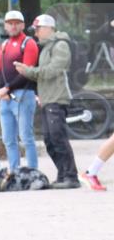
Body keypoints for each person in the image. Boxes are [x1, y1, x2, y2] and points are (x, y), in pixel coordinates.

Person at [15, 15, 80, 189]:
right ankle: (62, 174)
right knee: (49, 139)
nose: (35, 33)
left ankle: (71, 177)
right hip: (47, 98)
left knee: (58, 137)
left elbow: (53, 70)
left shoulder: (60, 45)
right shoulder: (46, 47)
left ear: (49, 28)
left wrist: (29, 71)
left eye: (38, 29)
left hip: (57, 98)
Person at [0, 10, 39, 171]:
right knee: (8, 138)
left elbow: (26, 72)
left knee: (26, 137)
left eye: (16, 23)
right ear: (5, 26)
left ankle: (33, 171)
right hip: (6, 97)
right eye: (10, 23)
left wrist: (7, 88)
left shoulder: (28, 43)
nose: (13, 26)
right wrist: (0, 89)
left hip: (23, 94)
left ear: (22, 25)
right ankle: (14, 171)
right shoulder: (4, 44)